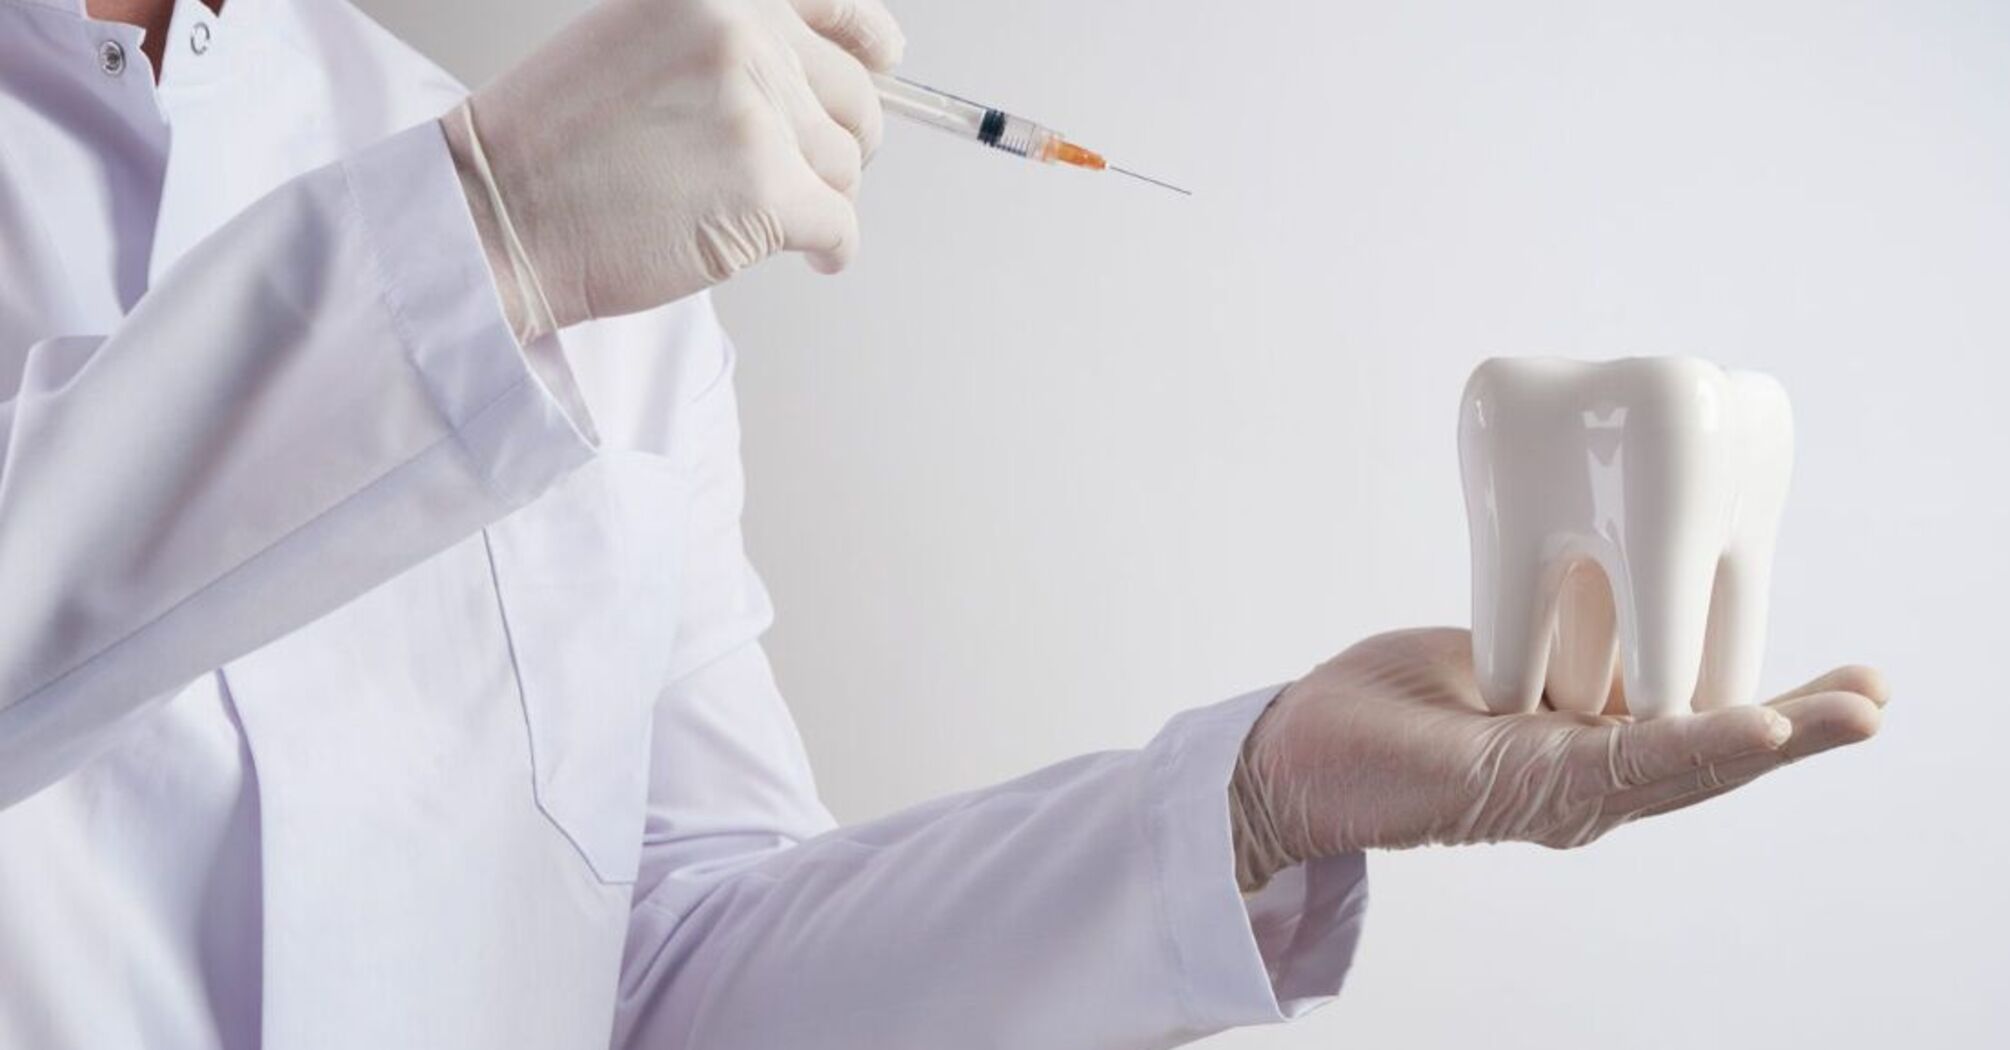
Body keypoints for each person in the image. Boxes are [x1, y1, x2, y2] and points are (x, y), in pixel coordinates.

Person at [0, 1, 1889, 1047]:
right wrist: (475, 241)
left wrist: (1249, 802)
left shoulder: (538, 179)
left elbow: (679, 976)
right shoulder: (516, 185)